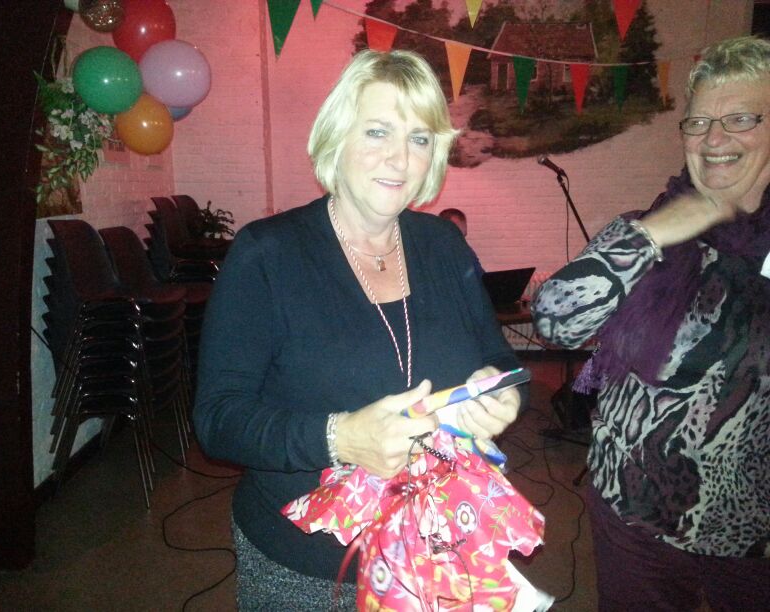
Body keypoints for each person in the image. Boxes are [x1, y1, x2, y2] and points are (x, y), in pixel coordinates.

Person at [193, 49, 525, 610]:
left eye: (419, 138)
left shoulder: (444, 246)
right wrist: (338, 438)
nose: (399, 157)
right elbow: (218, 420)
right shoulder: (266, 254)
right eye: (377, 131)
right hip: (311, 565)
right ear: (337, 136)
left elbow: (502, 358)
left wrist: (503, 394)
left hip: (440, 547)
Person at [531, 35, 770, 611]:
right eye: (698, 123)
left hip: (751, 526)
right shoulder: (645, 230)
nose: (714, 139)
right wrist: (656, 232)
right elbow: (554, 320)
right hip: (631, 512)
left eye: (740, 118)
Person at [439, 207, 485, 276]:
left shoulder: (465, 249)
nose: (460, 240)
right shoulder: (460, 249)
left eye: (462, 236)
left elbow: (478, 273)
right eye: (457, 235)